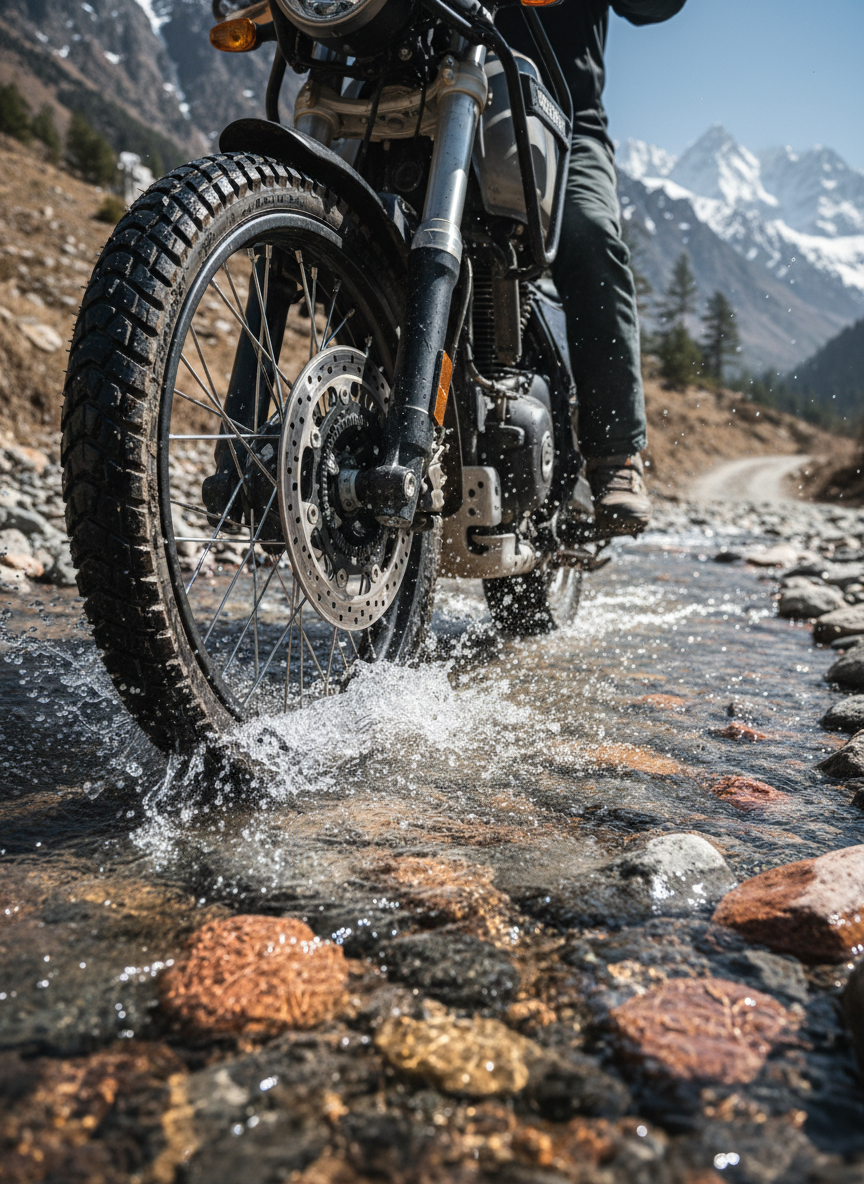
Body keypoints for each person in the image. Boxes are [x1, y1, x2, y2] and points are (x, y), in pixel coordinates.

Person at [498, 0, 687, 536]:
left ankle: (616, 457)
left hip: (559, 119)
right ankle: (254, 440)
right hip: (425, 100)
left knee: (589, 234)